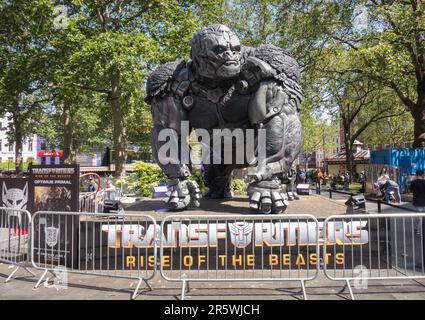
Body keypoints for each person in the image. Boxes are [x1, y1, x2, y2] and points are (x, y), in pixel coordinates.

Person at [409, 170, 425, 235]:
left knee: (419, 217)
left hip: (417, 201)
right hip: (424, 201)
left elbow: (410, 190)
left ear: (416, 175)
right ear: (422, 175)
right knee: (420, 217)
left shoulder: (413, 182)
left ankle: (417, 229)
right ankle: (417, 229)